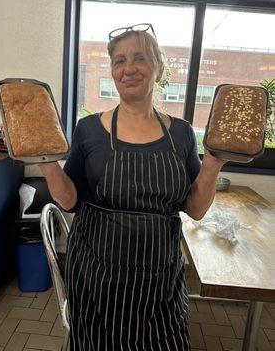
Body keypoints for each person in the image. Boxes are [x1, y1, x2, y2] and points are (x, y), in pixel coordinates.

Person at [30, 23, 226, 350]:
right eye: (119, 61)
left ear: (159, 69)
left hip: (159, 278)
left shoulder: (180, 132)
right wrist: (46, 161)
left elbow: (195, 208)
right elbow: (70, 201)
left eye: (139, 58)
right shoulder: (88, 129)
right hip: (97, 274)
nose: (129, 68)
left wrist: (213, 165)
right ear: (112, 71)